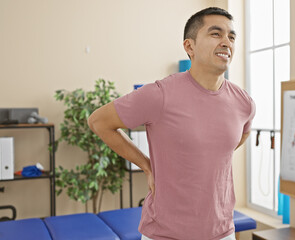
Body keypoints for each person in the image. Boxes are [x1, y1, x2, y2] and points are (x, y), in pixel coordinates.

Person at [88, 7, 255, 240]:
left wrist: (208, 154)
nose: (226, 42)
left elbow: (242, 134)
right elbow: (98, 122)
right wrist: (147, 165)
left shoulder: (244, 102)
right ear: (190, 46)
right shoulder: (160, 94)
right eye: (216, 34)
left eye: (232, 36)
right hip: (166, 234)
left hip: (222, 232)